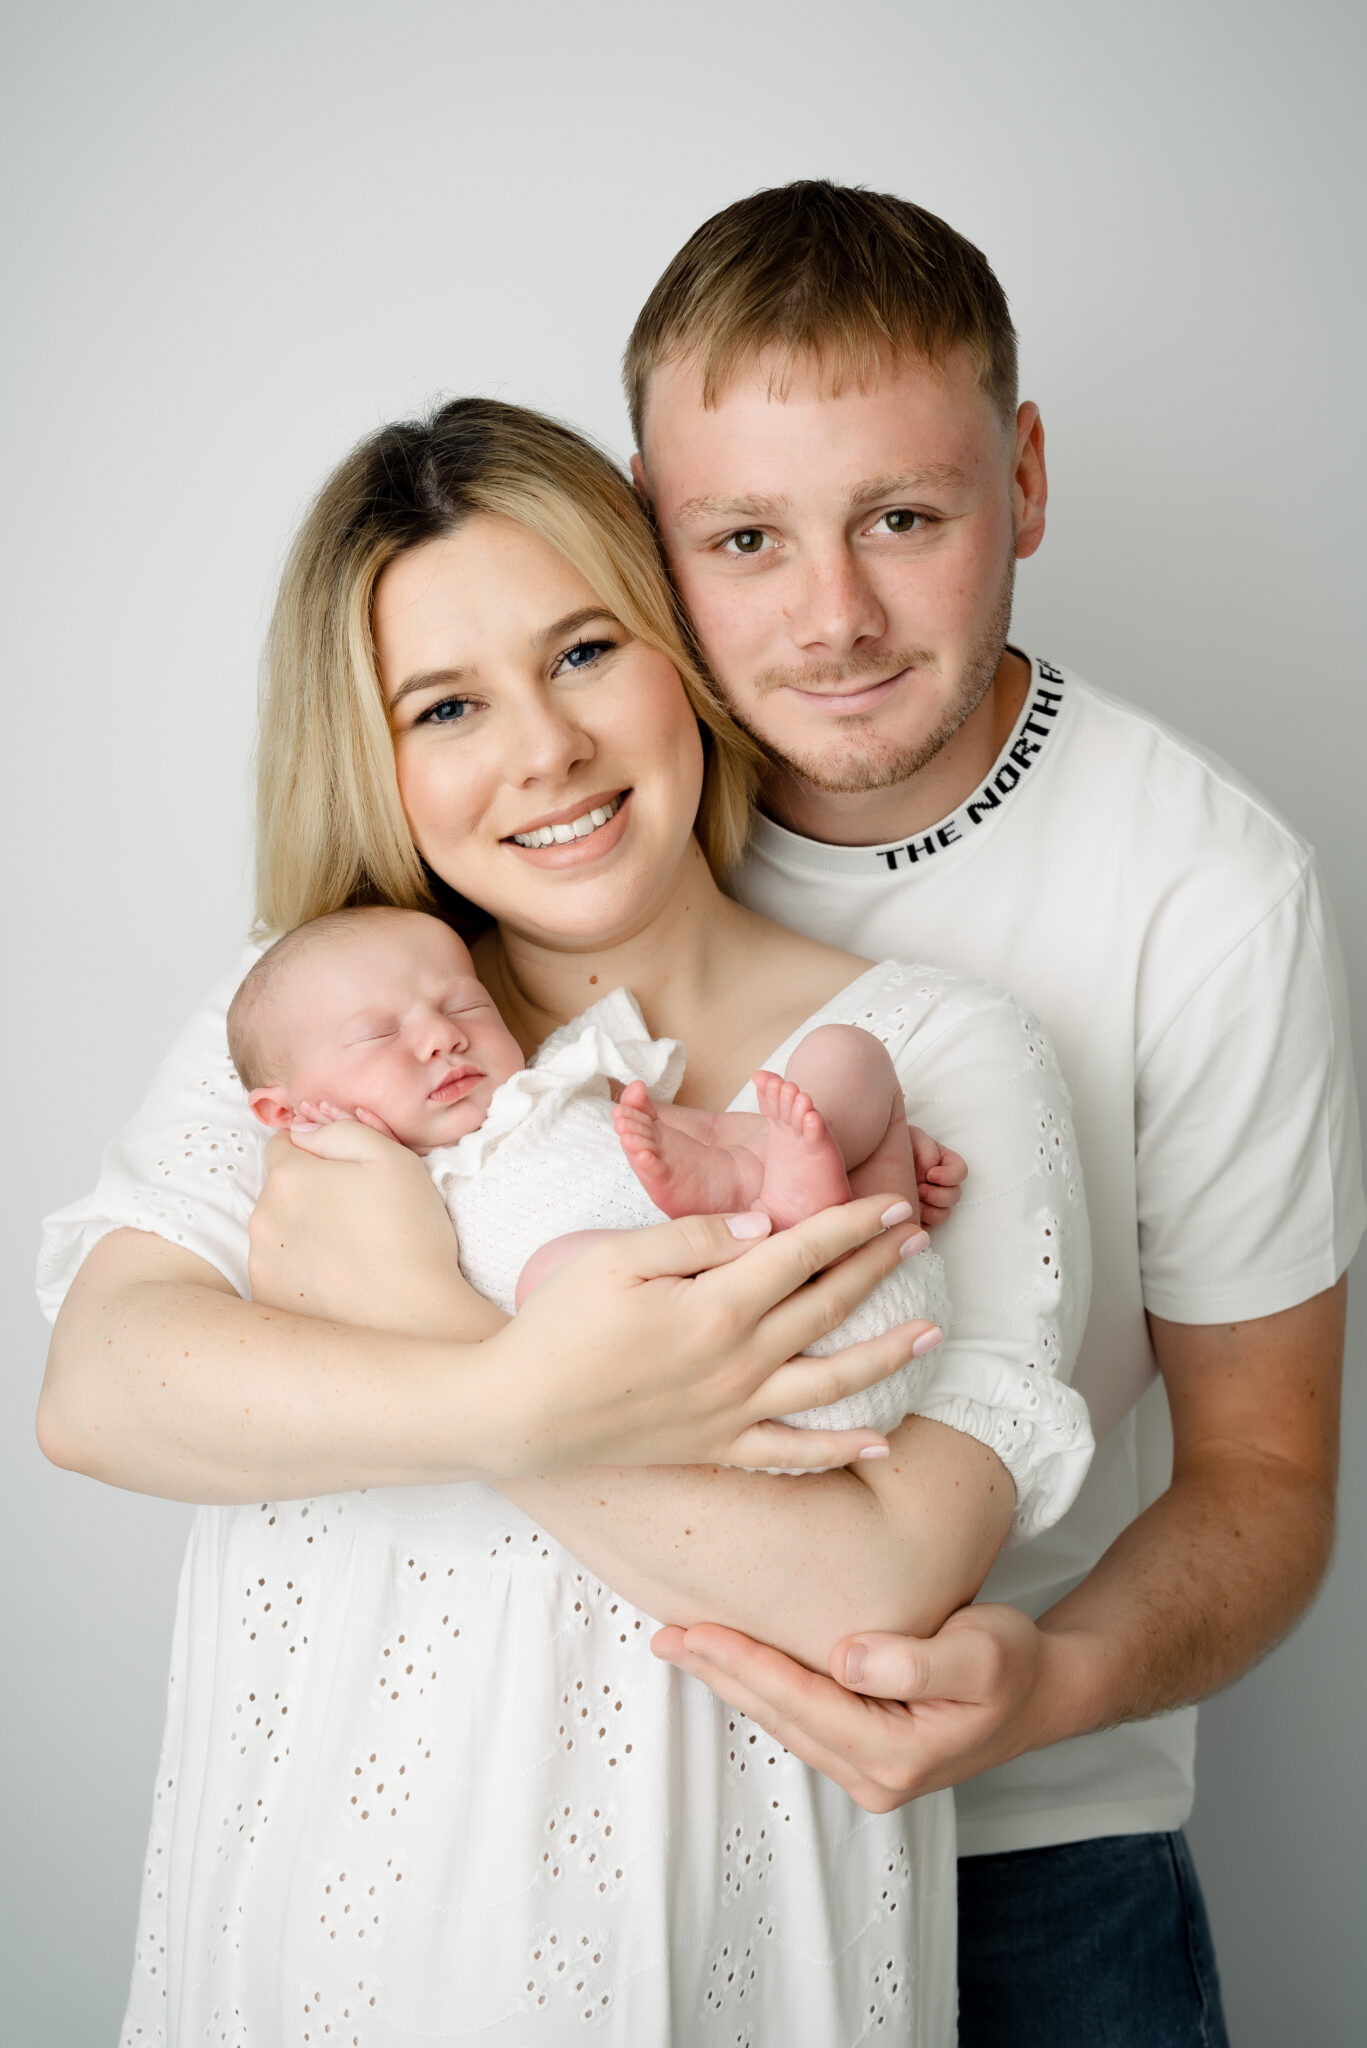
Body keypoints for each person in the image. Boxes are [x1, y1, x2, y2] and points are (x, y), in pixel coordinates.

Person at [36, 397, 1092, 2043]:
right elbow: (102, 1389)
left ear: (680, 650)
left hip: (725, 1959)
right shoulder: (313, 1022)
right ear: (377, 757)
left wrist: (434, 1328)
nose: (543, 751)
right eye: (448, 704)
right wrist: (520, 1393)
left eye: (585, 651)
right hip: (332, 1939)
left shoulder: (923, 1054)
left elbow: (876, 1583)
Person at [623, 180, 1365, 2046]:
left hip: (1036, 1845)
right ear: (648, 532)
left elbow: (1265, 1473)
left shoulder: (1207, 894)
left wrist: (1045, 1683)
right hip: (622, 1828)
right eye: (744, 538)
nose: (833, 618)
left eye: (901, 516)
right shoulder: (573, 817)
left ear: (1020, 481)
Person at [228, 902, 950, 1392]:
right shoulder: (372, 1193)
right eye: (379, 1034)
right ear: (284, 1111)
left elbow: (708, 1132)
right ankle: (781, 1206)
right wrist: (362, 1152)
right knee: (551, 1278)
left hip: (864, 1275)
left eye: (465, 1006)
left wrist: (837, 1135)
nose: (443, 1036)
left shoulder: (561, 1079)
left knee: (843, 1051)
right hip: (713, 1367)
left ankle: (802, 1189)